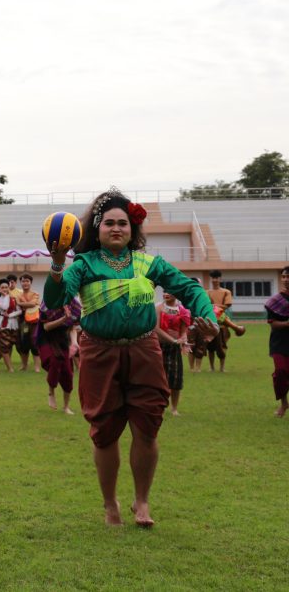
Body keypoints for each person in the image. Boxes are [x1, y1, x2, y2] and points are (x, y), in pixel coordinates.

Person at [45, 188, 217, 528]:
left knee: (147, 429)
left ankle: (142, 501)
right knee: (105, 432)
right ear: (96, 228)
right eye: (109, 223)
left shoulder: (149, 264)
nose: (116, 228)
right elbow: (55, 299)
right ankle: (110, 503)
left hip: (144, 352)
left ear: (132, 228)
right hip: (99, 354)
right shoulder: (83, 265)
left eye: (122, 223)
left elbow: (191, 288)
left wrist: (207, 315)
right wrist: (57, 263)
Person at [38, 296, 81, 415]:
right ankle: (51, 391)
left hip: (62, 339)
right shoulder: (48, 302)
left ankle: (66, 407)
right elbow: (46, 327)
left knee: (67, 373)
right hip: (47, 338)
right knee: (55, 360)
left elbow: (72, 328)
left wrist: (74, 342)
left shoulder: (74, 305)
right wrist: (63, 319)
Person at [155, 293, 190, 416]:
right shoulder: (158, 308)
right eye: (165, 291)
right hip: (159, 347)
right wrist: (173, 340)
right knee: (159, 378)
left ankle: (174, 408)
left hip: (174, 349)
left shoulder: (183, 311)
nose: (166, 294)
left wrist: (184, 341)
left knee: (176, 379)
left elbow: (183, 331)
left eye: (169, 292)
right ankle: (160, 406)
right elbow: (156, 329)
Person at [205, 270, 246, 372]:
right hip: (211, 322)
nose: (215, 280)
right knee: (210, 347)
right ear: (211, 279)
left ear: (220, 279)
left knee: (222, 346)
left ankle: (222, 368)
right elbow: (205, 305)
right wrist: (213, 307)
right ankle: (211, 367)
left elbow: (227, 305)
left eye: (217, 278)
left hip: (223, 323)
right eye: (213, 278)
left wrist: (213, 306)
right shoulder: (207, 292)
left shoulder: (226, 292)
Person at [266, 267, 289, 418]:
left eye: (288, 277)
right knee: (280, 372)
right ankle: (284, 403)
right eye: (284, 277)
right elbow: (272, 323)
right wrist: (287, 324)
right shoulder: (275, 301)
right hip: (279, 343)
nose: (286, 280)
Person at [0, 279, 20, 372]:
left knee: (9, 345)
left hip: (13, 324)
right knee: (4, 346)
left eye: (6, 287)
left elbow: (19, 311)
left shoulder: (14, 299)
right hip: (2, 325)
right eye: (2, 287)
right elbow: (5, 307)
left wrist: (10, 315)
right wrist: (6, 296)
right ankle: (10, 368)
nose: (4, 289)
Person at [15, 273, 41, 372]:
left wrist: (21, 303)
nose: (25, 283)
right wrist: (27, 304)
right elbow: (24, 305)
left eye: (27, 281)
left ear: (31, 283)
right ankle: (24, 365)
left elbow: (33, 304)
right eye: (23, 281)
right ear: (20, 283)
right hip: (22, 320)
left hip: (34, 321)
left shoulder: (35, 293)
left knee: (34, 342)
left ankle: (37, 367)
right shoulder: (18, 295)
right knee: (23, 343)